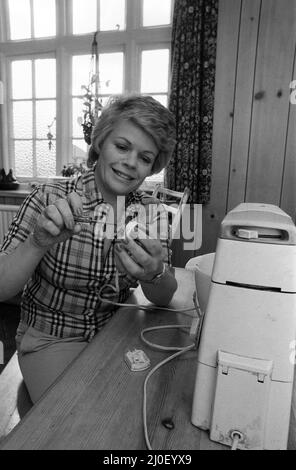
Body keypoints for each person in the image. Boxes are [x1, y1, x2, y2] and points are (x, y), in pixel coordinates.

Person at [0, 94, 178, 403]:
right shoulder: (49, 198)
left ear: (153, 167)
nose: (130, 163)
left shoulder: (153, 213)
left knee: (147, 404)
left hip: (116, 335)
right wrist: (38, 241)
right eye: (122, 147)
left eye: (145, 157)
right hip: (50, 338)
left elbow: (163, 295)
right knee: (79, 419)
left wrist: (155, 272)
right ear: (100, 143)